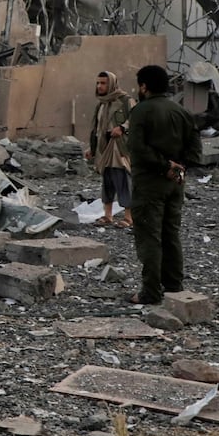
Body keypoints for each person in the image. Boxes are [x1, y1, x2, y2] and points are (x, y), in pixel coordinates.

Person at [126, 65, 202, 306]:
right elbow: (195, 147)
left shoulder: (141, 111)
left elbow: (137, 148)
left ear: (144, 86)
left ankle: (150, 291)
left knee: (150, 237)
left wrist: (163, 166)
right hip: (175, 184)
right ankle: (173, 284)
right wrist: (179, 166)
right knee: (171, 234)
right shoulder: (181, 111)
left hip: (150, 184)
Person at [85, 71, 134, 229]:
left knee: (122, 180)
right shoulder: (101, 104)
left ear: (112, 83)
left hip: (119, 147)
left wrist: (122, 128)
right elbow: (97, 129)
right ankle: (108, 215)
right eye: (98, 83)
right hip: (104, 148)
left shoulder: (125, 100)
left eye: (103, 83)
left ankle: (128, 217)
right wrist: (92, 148)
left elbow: (136, 118)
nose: (99, 86)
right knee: (107, 181)